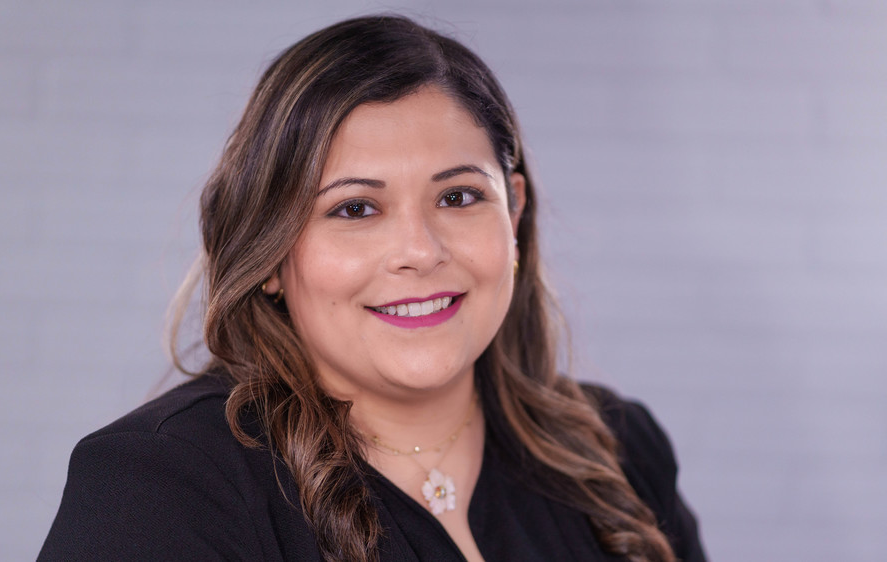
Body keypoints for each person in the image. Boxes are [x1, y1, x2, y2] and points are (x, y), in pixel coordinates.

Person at [39, 14, 706, 562]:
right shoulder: (160, 487)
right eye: (354, 209)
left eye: (459, 196)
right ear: (270, 251)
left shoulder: (619, 450)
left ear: (515, 213)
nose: (419, 251)